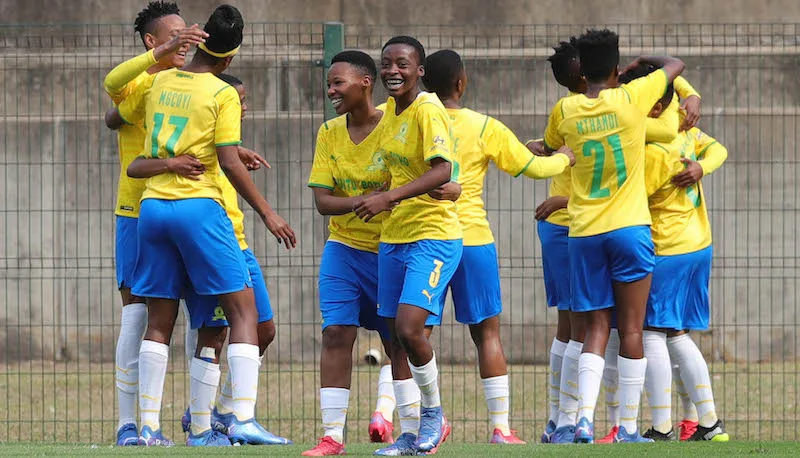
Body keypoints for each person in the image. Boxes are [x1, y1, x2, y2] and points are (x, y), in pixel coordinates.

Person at [105, 4, 295, 447]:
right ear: (230, 57)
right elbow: (226, 160)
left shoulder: (160, 82)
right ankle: (236, 417)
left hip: (154, 207)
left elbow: (127, 133)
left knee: (161, 319)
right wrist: (268, 212)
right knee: (239, 313)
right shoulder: (217, 92)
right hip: (199, 210)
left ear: (201, 40)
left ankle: (155, 426)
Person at [421, 49, 574, 445]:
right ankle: (501, 428)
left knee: (415, 334)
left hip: (427, 240)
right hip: (472, 239)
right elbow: (533, 167)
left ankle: (405, 420)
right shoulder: (484, 126)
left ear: (423, 84)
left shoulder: (412, 121)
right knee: (487, 334)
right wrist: (563, 157)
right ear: (461, 83)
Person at [542, 28, 685, 443]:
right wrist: (642, 65)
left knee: (594, 327)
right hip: (629, 228)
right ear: (617, 68)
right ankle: (627, 427)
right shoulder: (632, 97)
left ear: (581, 70)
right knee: (633, 329)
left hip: (584, 232)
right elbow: (676, 65)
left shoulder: (565, 109)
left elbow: (550, 147)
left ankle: (583, 420)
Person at [102, 0, 207, 446]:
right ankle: (130, 425)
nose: (184, 42)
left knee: (200, 312)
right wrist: (161, 55)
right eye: (174, 35)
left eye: (187, 34)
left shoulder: (193, 83)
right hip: (137, 212)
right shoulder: (141, 82)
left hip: (188, 209)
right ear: (152, 41)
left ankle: (200, 419)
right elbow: (112, 86)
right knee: (137, 314)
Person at [354, 36, 458, 455]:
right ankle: (412, 433)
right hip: (393, 238)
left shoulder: (427, 108)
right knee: (394, 339)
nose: (392, 71)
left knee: (410, 329)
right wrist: (379, 192)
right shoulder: (388, 114)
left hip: (432, 236)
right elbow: (397, 172)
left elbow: (443, 169)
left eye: (402, 63)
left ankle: (435, 415)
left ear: (420, 71)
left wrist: (389, 197)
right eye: (386, 63)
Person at [301, 50, 400, 457]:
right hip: (343, 248)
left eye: (338, 83)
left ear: (365, 82)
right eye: (329, 84)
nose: (331, 91)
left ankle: (409, 424)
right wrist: (367, 199)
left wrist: (388, 198)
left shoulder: (395, 124)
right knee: (336, 333)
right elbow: (323, 202)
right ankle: (332, 436)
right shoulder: (329, 132)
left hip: (392, 249)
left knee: (399, 340)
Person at [623, 63, 728, 442]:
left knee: (652, 332)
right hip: (698, 245)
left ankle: (663, 426)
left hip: (666, 248)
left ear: (652, 107)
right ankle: (708, 422)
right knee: (677, 332)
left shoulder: (651, 151)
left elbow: (626, 198)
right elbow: (719, 149)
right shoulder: (685, 130)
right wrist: (702, 167)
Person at [534, 37, 586, 445]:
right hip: (574, 225)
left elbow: (550, 147)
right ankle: (566, 421)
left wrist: (539, 148)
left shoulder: (563, 110)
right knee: (581, 326)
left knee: (571, 325)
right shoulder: (603, 111)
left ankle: (559, 420)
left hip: (562, 225)